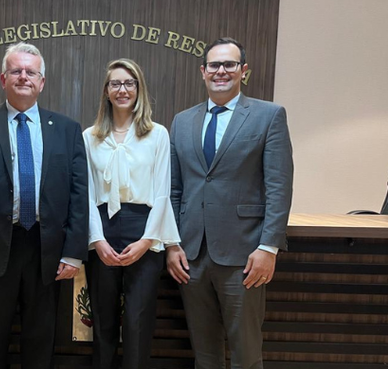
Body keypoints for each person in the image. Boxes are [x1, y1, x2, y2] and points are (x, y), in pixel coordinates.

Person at [0, 42, 88, 369]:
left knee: (41, 340)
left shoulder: (68, 130)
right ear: (3, 79)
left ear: (42, 82)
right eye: (16, 71)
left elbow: (78, 195)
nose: (23, 77)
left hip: (47, 249)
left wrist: (73, 252)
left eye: (31, 72)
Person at [166, 37, 294, 369]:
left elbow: (279, 187)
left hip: (244, 256)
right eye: (214, 65)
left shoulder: (269, 116)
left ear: (243, 71)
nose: (221, 71)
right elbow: (175, 189)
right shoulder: (182, 121)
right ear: (203, 71)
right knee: (204, 352)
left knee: (246, 352)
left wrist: (268, 247)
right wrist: (172, 244)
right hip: (191, 256)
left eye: (229, 64)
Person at [83, 58, 181, 369]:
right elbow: (85, 196)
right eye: (116, 83)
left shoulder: (157, 134)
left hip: (144, 231)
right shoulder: (91, 136)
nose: (122, 89)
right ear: (106, 91)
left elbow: (163, 192)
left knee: (138, 323)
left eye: (129, 83)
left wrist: (147, 241)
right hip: (103, 232)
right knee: (103, 322)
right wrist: (97, 240)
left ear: (139, 89)